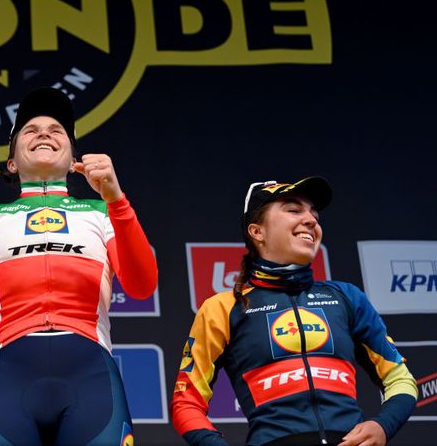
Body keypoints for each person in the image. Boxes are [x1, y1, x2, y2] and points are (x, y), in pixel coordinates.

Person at [0, 87, 158, 446]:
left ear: (74, 160)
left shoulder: (103, 212)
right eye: (30, 130)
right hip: (9, 373)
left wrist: (116, 198)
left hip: (90, 372)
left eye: (56, 129)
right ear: (12, 162)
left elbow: (142, 286)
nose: (45, 133)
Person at [170, 177, 418, 446]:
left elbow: (400, 378)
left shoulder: (346, 297)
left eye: (314, 213)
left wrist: (383, 425)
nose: (311, 220)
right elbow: (186, 402)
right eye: (294, 210)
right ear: (257, 231)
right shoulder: (223, 308)